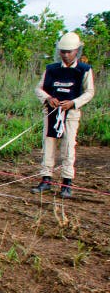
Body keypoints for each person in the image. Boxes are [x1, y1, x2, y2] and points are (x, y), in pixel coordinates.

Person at [30, 32, 95, 198]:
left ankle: (67, 182)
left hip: (71, 114)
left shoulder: (84, 70)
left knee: (68, 146)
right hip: (52, 112)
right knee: (48, 145)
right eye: (63, 51)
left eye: (69, 51)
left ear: (77, 51)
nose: (66, 55)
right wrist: (48, 98)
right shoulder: (51, 69)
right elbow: (39, 89)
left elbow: (89, 92)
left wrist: (73, 103)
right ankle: (46, 179)